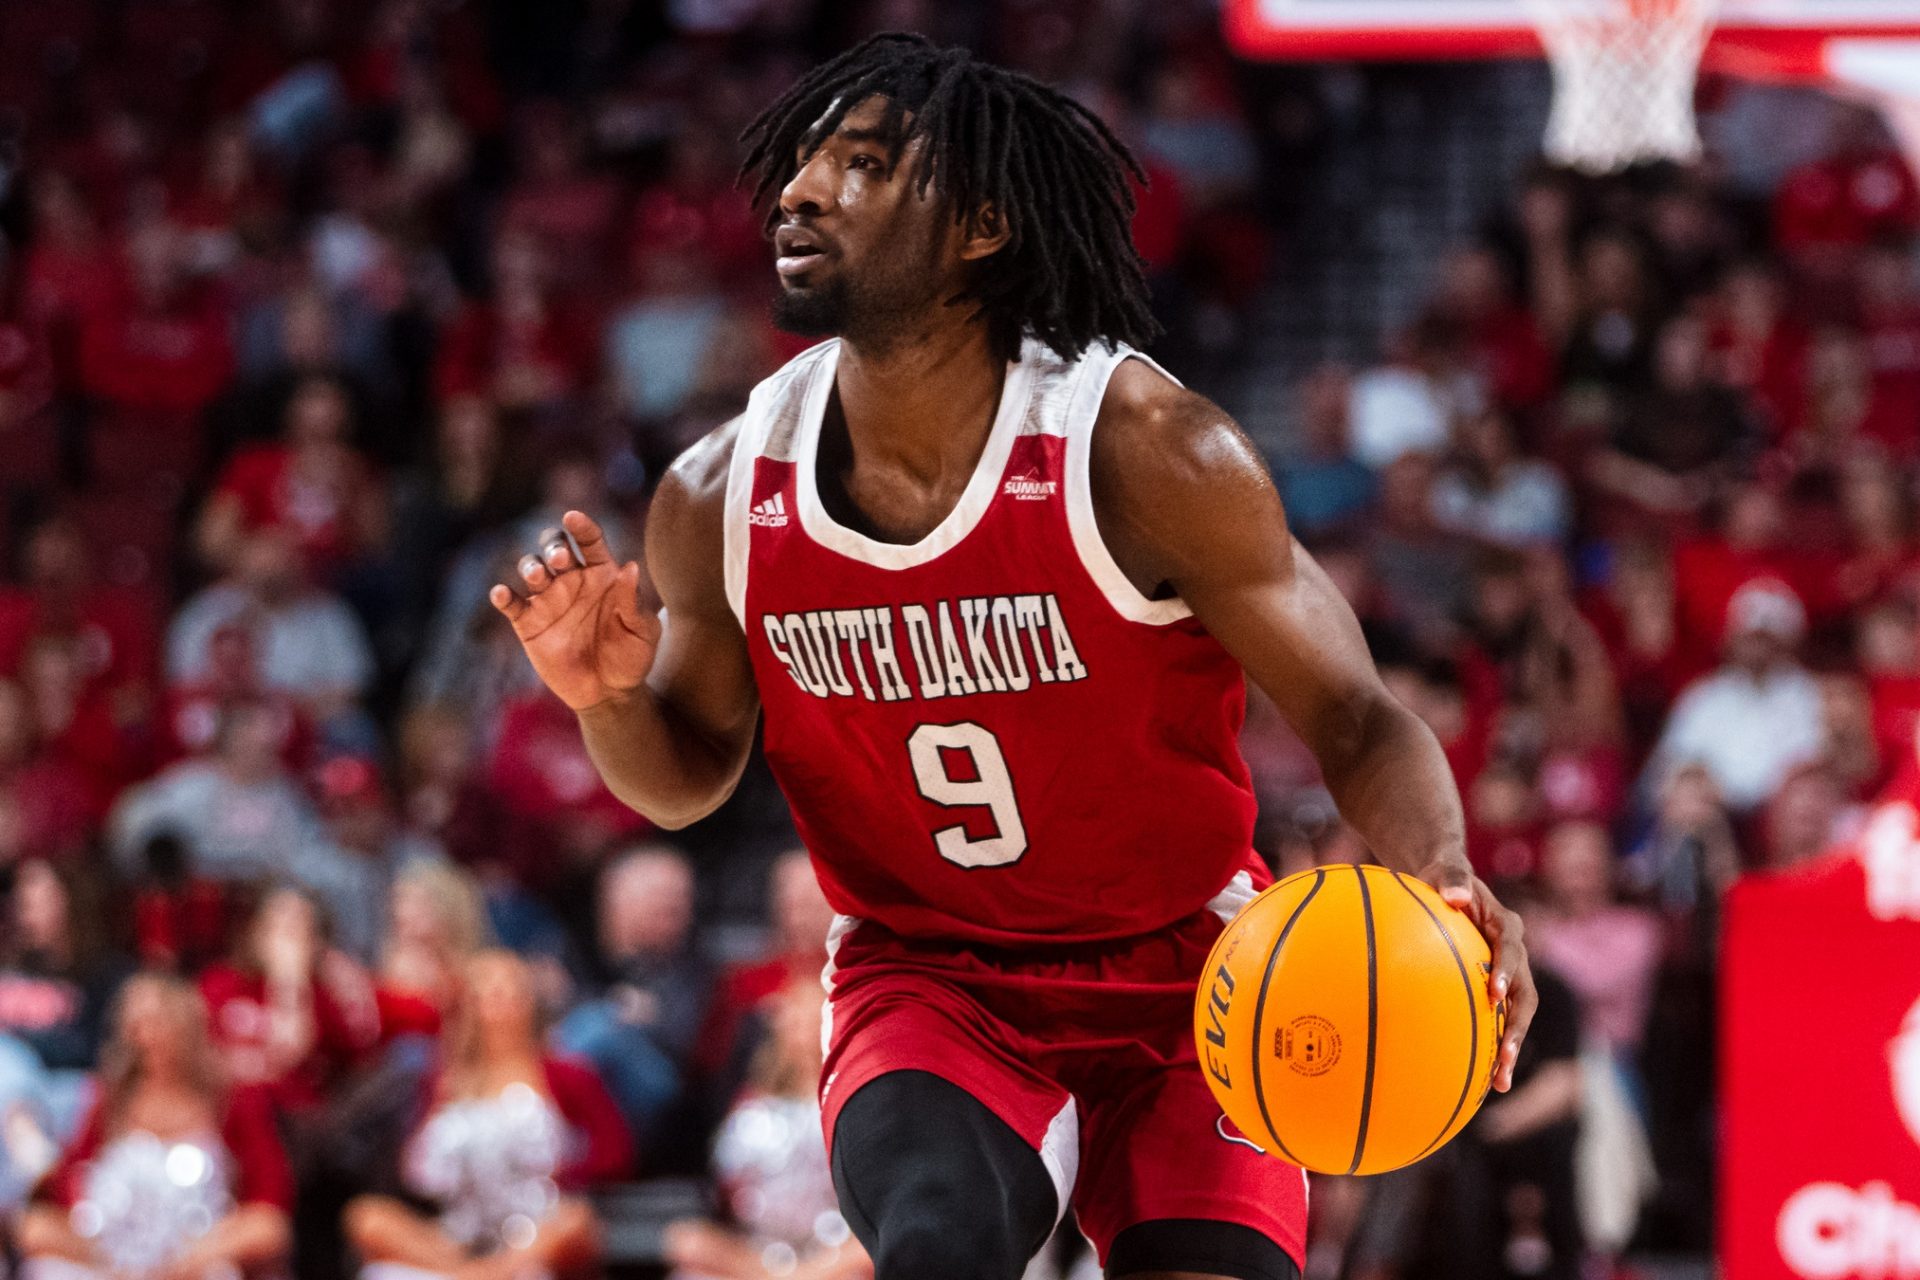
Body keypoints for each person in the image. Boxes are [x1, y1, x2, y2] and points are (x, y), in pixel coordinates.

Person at [491, 34, 1535, 1280]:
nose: (800, 191)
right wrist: (609, 699)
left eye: (863, 163)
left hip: (1191, 977)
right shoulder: (717, 492)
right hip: (931, 976)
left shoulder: (1145, 451)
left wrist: (1447, 873)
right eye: (800, 164)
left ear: (981, 225)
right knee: (936, 1241)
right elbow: (686, 775)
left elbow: (1358, 714)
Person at [343, 950, 629, 1280]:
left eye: (509, 989)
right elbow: (416, 1173)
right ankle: (477, 1274)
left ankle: (485, 1274)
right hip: (461, 1232)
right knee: (366, 1216)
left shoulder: (565, 1074)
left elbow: (616, 1151)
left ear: (529, 1001)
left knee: (576, 1222)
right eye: (488, 991)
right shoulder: (443, 1080)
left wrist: (561, 1174)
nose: (499, 1000)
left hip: (535, 1230)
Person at [15, 974, 294, 1280]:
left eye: (157, 1022)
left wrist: (190, 1260)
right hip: (109, 1261)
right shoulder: (110, 1100)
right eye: (136, 1024)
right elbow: (69, 1190)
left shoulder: (234, 1100)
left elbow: (269, 1220)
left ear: (189, 1027)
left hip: (198, 1260)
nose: (146, 1035)